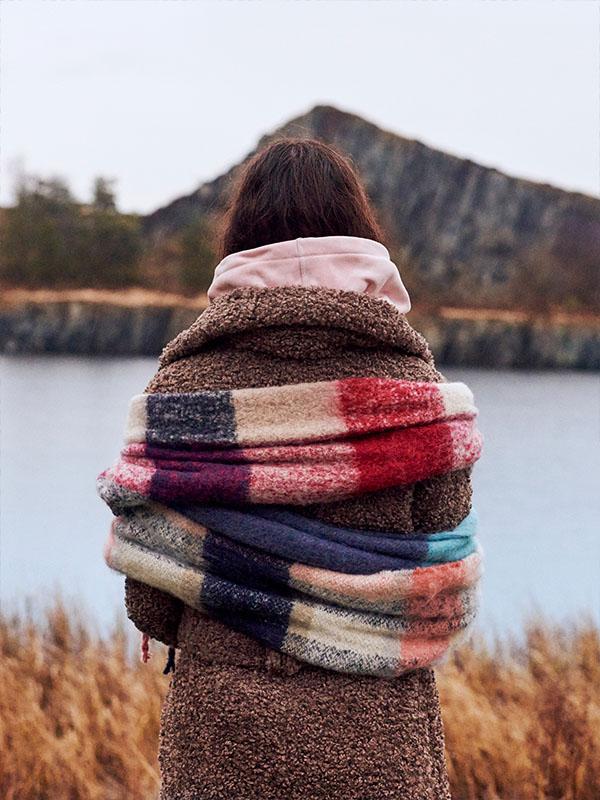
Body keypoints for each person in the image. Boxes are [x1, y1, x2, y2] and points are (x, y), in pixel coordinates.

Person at [115, 138, 481, 800]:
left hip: (222, 737)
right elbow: (442, 590)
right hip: (377, 734)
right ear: (361, 233)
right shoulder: (419, 396)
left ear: (240, 239)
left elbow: (150, 596)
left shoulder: (179, 391)